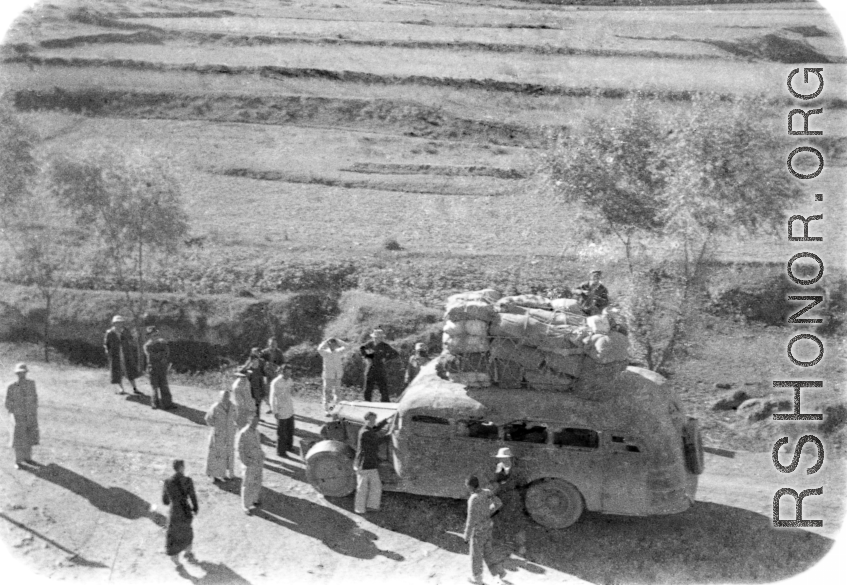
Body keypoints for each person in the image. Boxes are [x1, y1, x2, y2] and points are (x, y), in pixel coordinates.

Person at [463, 475, 507, 585]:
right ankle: (499, 572)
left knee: (476, 556)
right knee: (488, 552)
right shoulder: (487, 492)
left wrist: (466, 536)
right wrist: (489, 512)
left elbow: (470, 520)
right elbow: (498, 503)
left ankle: (477, 579)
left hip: (478, 531)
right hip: (488, 527)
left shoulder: (473, 499)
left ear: (470, 487)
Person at [491, 447, 527, 557]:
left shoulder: (516, 469)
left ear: (510, 458)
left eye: (504, 457)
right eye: (501, 458)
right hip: (501, 497)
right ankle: (506, 545)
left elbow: (522, 483)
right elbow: (495, 482)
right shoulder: (499, 467)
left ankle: (520, 545)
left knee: (516, 522)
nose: (502, 459)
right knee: (501, 522)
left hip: (513, 498)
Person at [162, 459, 199, 566]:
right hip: (185, 511)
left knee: (173, 535)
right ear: (182, 467)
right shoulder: (188, 480)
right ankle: (187, 553)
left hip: (174, 512)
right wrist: (195, 508)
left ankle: (176, 560)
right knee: (187, 532)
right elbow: (193, 497)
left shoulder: (167, 482)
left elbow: (165, 501)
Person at [353, 411, 390, 514]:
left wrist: (386, 421)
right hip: (364, 464)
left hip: (368, 464)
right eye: (372, 420)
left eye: (374, 420)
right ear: (366, 420)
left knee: (374, 486)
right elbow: (376, 442)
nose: (374, 421)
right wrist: (389, 436)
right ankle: (361, 509)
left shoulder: (366, 429)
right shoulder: (365, 433)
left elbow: (375, 429)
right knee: (363, 488)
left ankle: (370, 507)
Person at [5, 363, 39, 470]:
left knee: (29, 436)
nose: (21, 375)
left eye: (23, 372)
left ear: (26, 373)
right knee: (18, 438)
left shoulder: (31, 384)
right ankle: (18, 461)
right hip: (17, 416)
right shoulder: (11, 386)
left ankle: (28, 458)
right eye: (19, 373)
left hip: (29, 415)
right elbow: (7, 402)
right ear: (16, 373)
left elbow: (35, 398)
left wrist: (33, 411)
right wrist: (13, 413)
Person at [204, 387, 237, 483]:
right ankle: (213, 474)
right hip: (218, 434)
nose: (226, 398)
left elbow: (236, 417)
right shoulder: (215, 407)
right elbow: (208, 419)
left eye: (227, 396)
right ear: (220, 397)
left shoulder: (233, 406)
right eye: (224, 396)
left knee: (228, 454)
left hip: (229, 434)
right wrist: (216, 428)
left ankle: (224, 474)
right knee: (215, 454)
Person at [103, 315, 142, 395]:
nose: (119, 324)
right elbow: (106, 344)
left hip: (126, 353)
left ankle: (135, 388)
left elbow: (131, 339)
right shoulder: (110, 333)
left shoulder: (125, 331)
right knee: (117, 371)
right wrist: (107, 351)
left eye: (120, 323)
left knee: (130, 370)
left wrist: (133, 339)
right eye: (117, 323)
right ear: (114, 324)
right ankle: (121, 389)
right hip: (115, 355)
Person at [359, 328, 399, 402]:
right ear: (373, 337)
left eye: (380, 337)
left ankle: (385, 403)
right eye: (376, 337)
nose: (377, 339)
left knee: (383, 387)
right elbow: (361, 349)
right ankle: (367, 402)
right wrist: (366, 357)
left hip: (380, 368)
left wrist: (386, 358)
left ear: (382, 338)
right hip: (370, 367)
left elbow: (395, 354)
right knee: (368, 387)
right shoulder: (369, 344)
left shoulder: (385, 346)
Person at [236, 416, 264, 515]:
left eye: (257, 421)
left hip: (257, 461)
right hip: (249, 462)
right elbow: (240, 449)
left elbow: (258, 445)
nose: (255, 423)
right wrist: (245, 461)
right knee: (247, 484)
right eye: (253, 421)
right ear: (249, 421)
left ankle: (254, 499)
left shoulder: (256, 432)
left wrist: (261, 454)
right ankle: (245, 505)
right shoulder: (243, 433)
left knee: (257, 481)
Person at [317, 337, 351, 412]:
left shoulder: (339, 352)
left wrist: (338, 340)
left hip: (337, 375)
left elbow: (348, 346)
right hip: (328, 376)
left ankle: (336, 409)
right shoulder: (325, 353)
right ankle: (327, 410)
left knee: (337, 393)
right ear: (328, 345)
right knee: (327, 393)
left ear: (336, 345)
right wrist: (326, 341)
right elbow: (319, 349)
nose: (332, 345)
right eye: (330, 344)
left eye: (334, 344)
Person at [144, 326, 174, 410]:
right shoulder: (147, 345)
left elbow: (167, 352)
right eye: (153, 335)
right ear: (149, 336)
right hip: (152, 368)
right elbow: (152, 356)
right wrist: (162, 355)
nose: (155, 337)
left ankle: (167, 403)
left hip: (162, 367)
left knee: (164, 386)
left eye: (157, 335)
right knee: (154, 386)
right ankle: (154, 403)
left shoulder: (162, 343)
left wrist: (163, 357)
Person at [269, 365, 295, 457]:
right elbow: (272, 397)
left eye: (290, 372)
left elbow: (291, 392)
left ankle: (289, 446)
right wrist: (274, 411)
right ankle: (281, 451)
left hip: (289, 408)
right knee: (281, 432)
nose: (289, 374)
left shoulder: (290, 380)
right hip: (281, 410)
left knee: (290, 430)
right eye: (287, 372)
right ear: (282, 372)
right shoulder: (276, 382)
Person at [240, 347, 268, 417]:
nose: (256, 353)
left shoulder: (262, 361)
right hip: (251, 383)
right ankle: (253, 417)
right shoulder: (249, 361)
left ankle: (257, 417)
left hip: (259, 381)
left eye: (257, 352)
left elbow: (264, 372)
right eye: (254, 352)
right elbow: (243, 371)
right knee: (251, 401)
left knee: (258, 401)